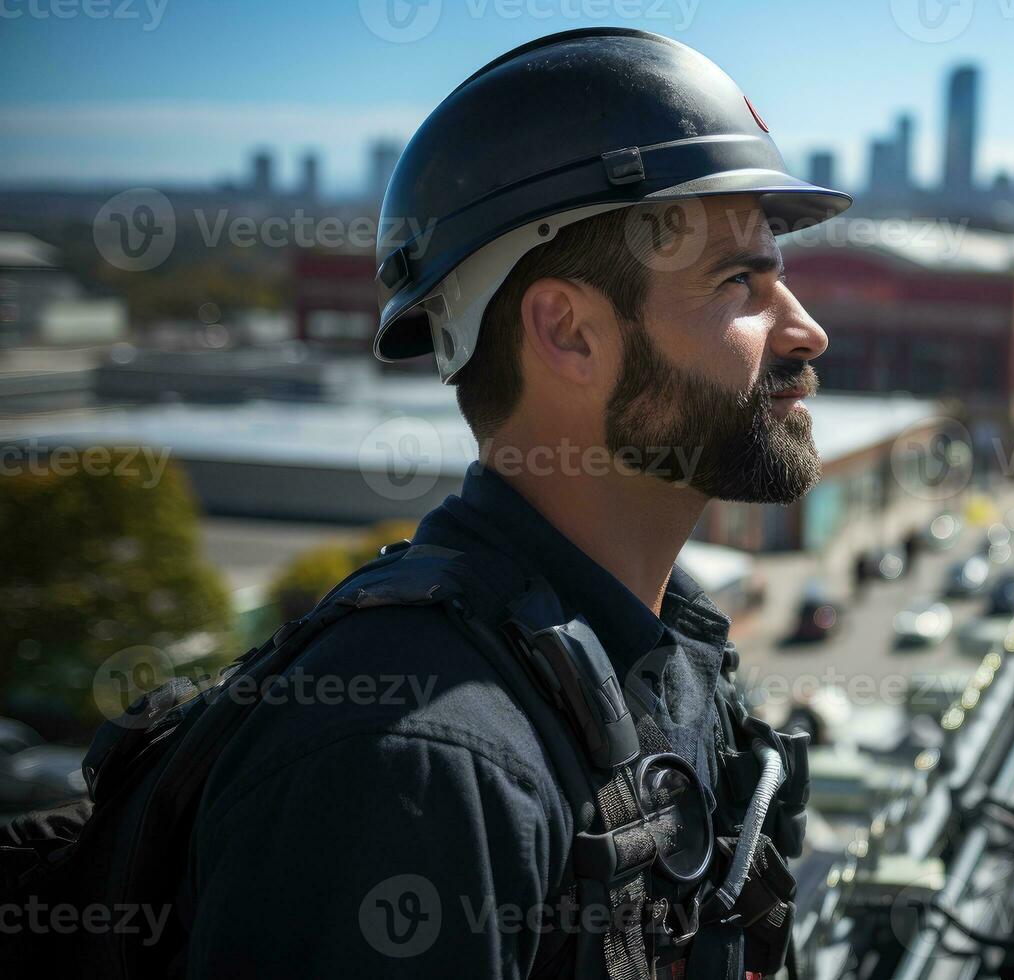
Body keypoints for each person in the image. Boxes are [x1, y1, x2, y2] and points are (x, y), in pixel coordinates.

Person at [182, 29, 849, 979]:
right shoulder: (413, 762)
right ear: (569, 332)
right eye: (737, 280)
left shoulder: (664, 660)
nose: (806, 330)